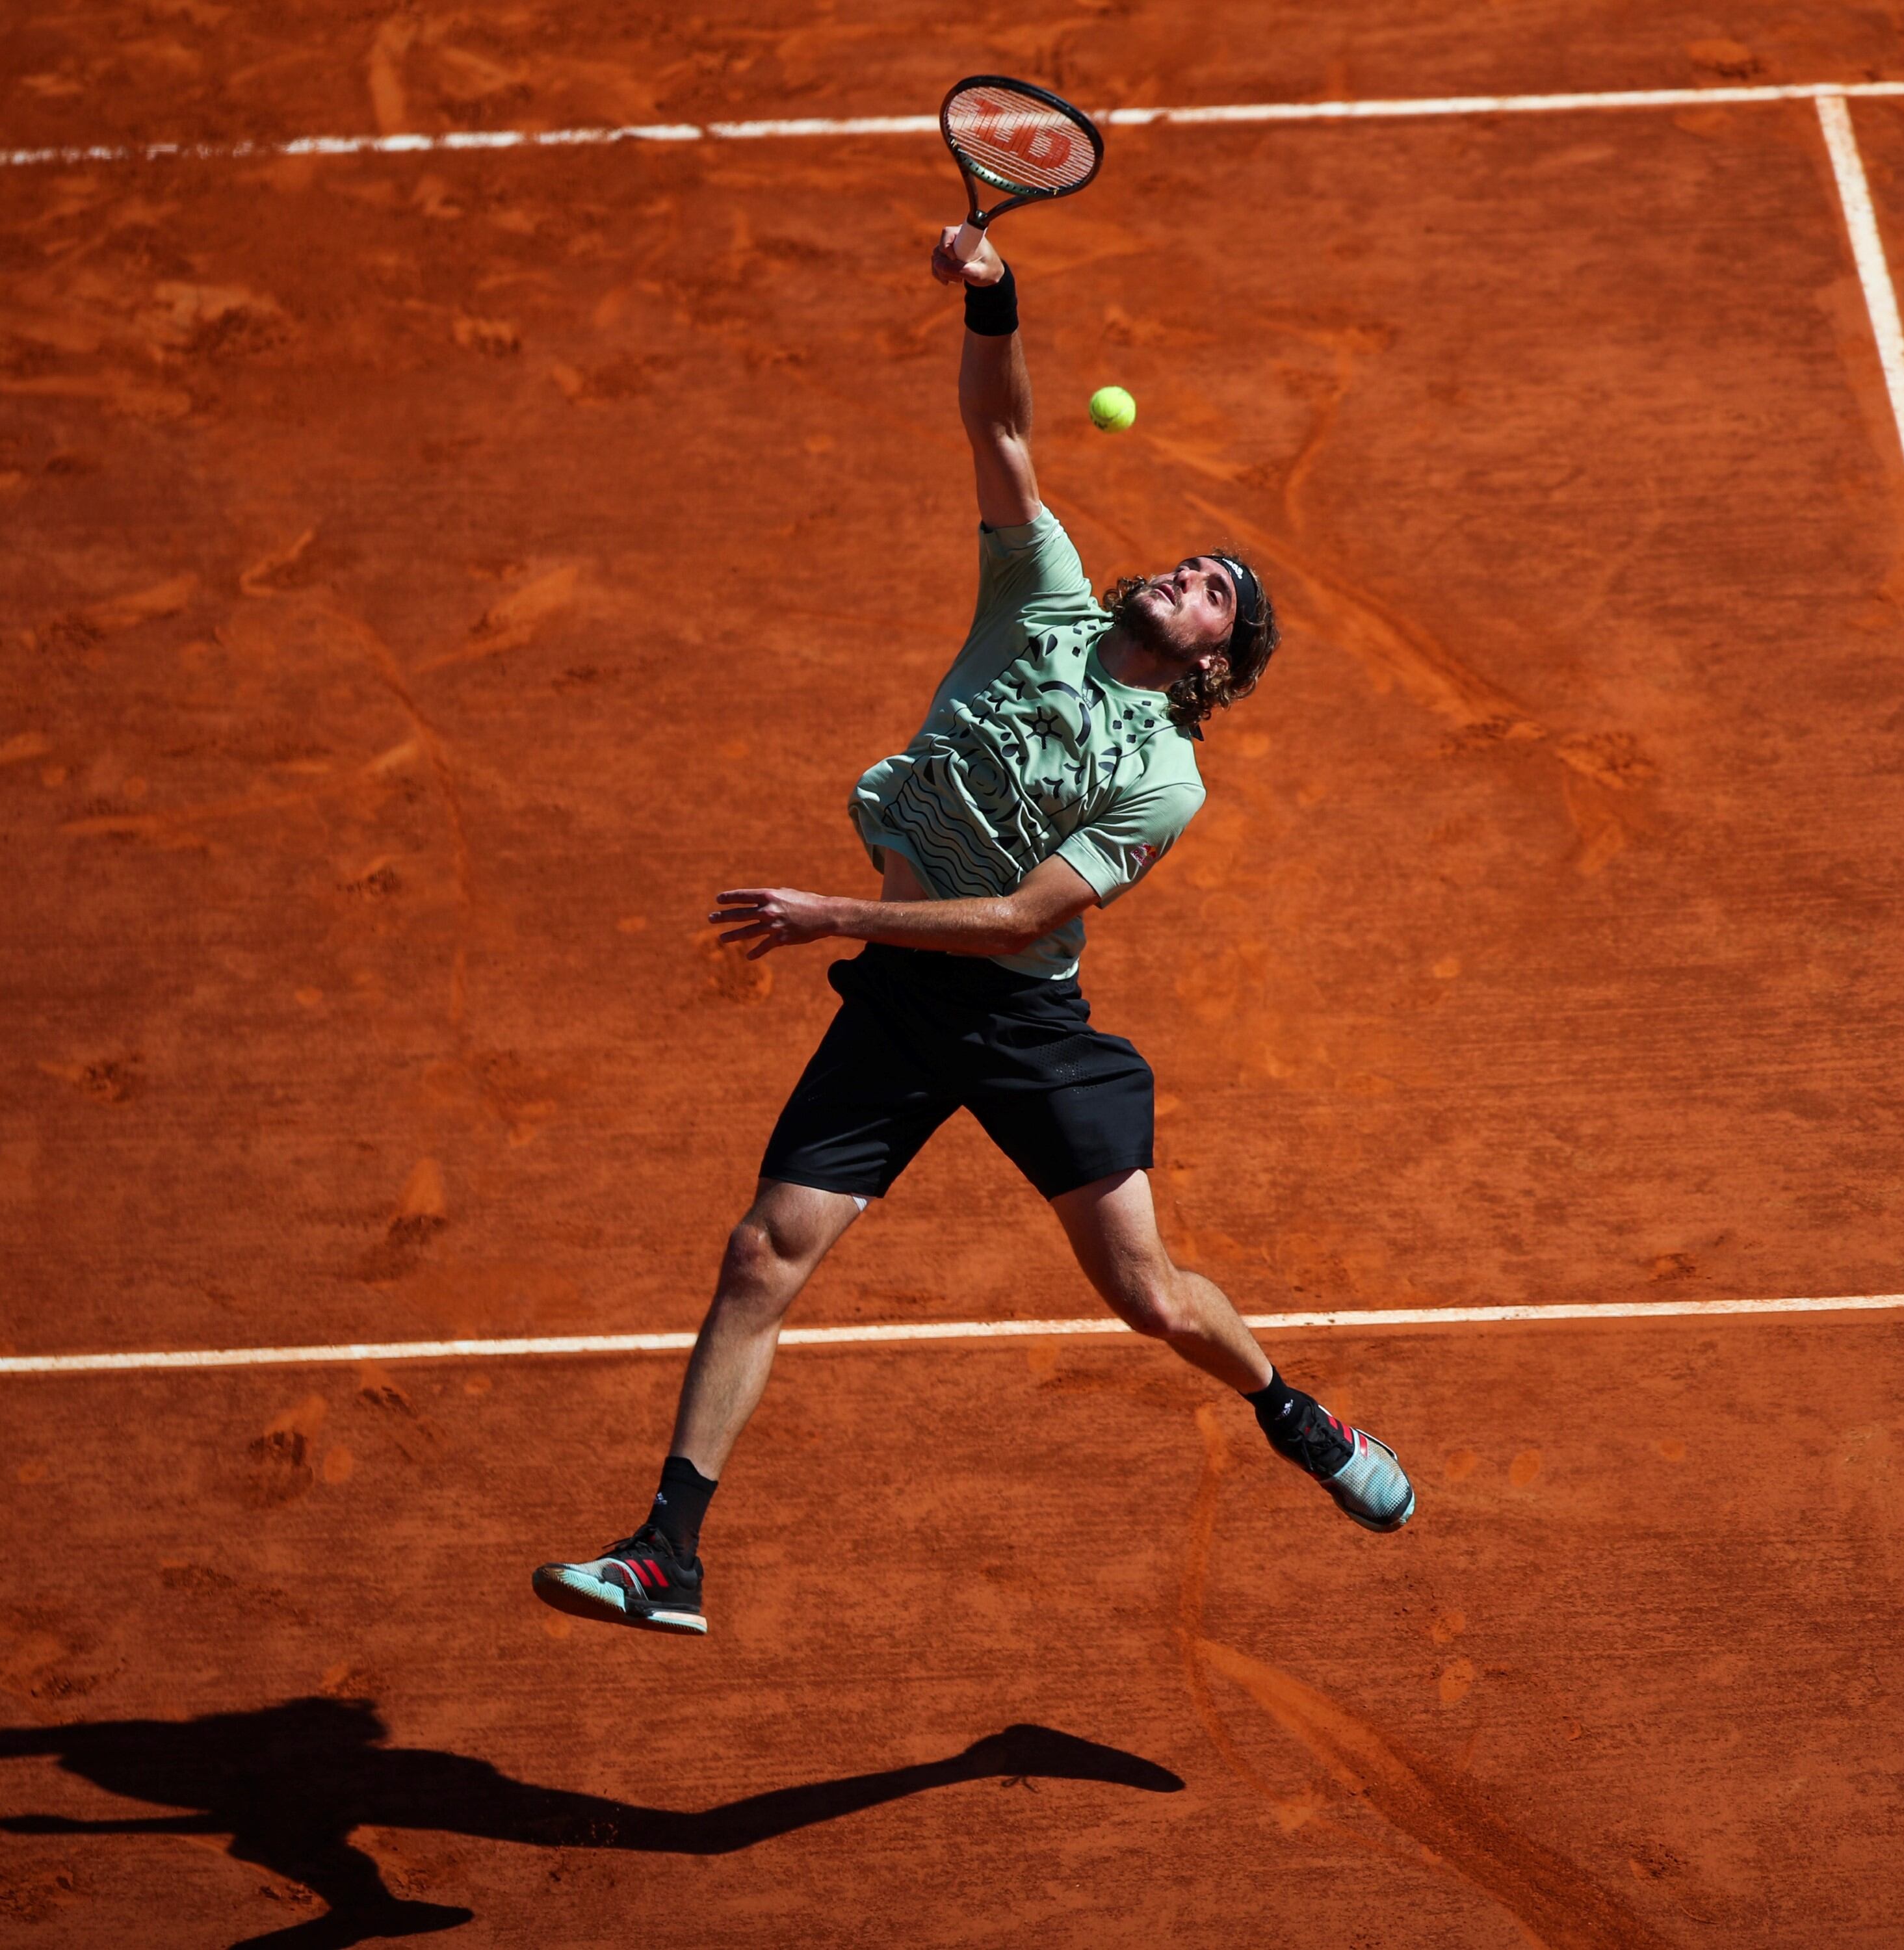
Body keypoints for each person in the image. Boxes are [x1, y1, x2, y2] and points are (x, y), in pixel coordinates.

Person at [533, 216, 1414, 1637]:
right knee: (763, 1253)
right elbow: (1002, 435)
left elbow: (1017, 922)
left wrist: (835, 909)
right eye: (1193, 562)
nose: (1190, 573)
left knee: (1151, 1300)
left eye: (1215, 593)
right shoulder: (1045, 598)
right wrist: (997, 295)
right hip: (901, 994)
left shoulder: (1162, 778)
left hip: (1016, 1019)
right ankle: (666, 1556)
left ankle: (1296, 1417)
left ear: (1212, 665)